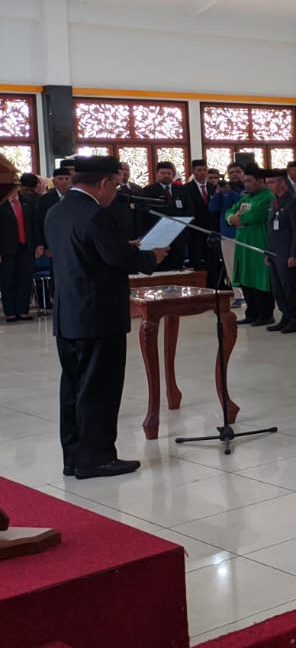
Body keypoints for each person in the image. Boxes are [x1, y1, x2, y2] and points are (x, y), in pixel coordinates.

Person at [45, 155, 166, 479]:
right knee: (100, 389)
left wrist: (122, 246)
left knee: (73, 388)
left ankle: (74, 457)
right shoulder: (96, 214)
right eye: (115, 185)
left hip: (69, 313)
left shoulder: (57, 211)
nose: (115, 192)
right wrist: (150, 256)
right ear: (103, 183)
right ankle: (97, 459)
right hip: (98, 315)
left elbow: (86, 251)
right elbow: (118, 259)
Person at [227, 165, 275, 326]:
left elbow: (251, 217)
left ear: (260, 181)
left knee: (260, 279)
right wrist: (232, 218)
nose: (246, 184)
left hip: (258, 243)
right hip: (243, 244)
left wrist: (237, 219)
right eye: (245, 181)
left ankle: (266, 315)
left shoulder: (267, 197)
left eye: (249, 181)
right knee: (246, 278)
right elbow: (229, 212)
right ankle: (252, 313)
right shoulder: (246, 198)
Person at [263, 169, 296, 333]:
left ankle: (295, 318)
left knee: (289, 288)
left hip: (286, 253)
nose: (269, 186)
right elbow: (271, 230)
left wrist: (293, 253)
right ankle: (285, 316)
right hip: (274, 253)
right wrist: (268, 252)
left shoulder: (293, 203)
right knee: (277, 288)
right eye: (267, 183)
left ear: (282, 182)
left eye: (272, 183)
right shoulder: (274, 202)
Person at [1, 171, 40, 322]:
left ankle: (23, 310)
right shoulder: (2, 203)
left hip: (27, 246)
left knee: (25, 279)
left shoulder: (28, 202)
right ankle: (10, 312)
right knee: (8, 280)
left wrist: (39, 244)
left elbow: (34, 225)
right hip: (7, 248)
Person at [208, 163, 244, 297]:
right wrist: (218, 193)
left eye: (238, 171)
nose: (234, 174)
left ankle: (251, 294)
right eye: (231, 172)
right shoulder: (222, 190)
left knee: (246, 265)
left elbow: (243, 204)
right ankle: (239, 295)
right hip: (228, 233)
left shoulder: (247, 188)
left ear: (243, 173)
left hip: (245, 232)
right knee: (231, 265)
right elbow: (213, 208)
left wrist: (231, 193)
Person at [143, 160, 186, 270]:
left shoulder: (181, 190)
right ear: (157, 174)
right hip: (159, 233)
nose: (166, 176)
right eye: (163, 173)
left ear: (173, 174)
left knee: (178, 267)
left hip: (178, 234)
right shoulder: (149, 190)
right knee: (162, 267)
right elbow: (146, 212)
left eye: (169, 173)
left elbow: (189, 209)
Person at [182, 159, 216, 274]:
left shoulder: (213, 187)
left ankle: (213, 283)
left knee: (212, 262)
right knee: (196, 262)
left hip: (211, 231)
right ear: (193, 171)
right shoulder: (186, 189)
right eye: (199, 170)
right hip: (194, 230)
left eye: (204, 170)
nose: (202, 173)